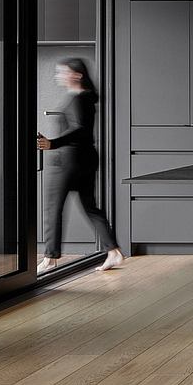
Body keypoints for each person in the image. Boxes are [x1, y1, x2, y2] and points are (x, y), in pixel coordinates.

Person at [36, 58, 124, 273]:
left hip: (69, 162)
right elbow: (82, 130)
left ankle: (50, 258)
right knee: (90, 207)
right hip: (85, 159)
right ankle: (113, 252)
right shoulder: (85, 98)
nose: (58, 76)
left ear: (76, 75)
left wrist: (52, 143)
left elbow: (80, 129)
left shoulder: (78, 99)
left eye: (62, 72)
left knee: (53, 208)